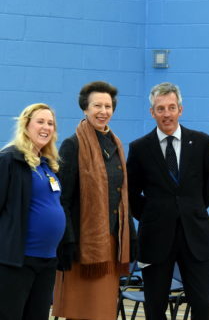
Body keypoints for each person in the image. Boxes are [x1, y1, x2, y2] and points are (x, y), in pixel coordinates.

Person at [127, 82, 209, 320]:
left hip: (195, 235)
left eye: (171, 107)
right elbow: (130, 192)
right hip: (155, 237)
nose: (166, 114)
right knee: (155, 305)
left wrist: (193, 208)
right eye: (160, 109)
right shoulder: (139, 148)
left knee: (203, 304)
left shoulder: (201, 142)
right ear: (152, 112)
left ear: (181, 109)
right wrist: (151, 214)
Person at [52, 81, 136, 320]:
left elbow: (122, 194)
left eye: (108, 106)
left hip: (110, 244)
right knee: (79, 312)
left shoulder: (116, 144)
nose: (103, 111)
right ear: (85, 109)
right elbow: (63, 200)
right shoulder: (72, 145)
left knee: (102, 313)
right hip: (82, 245)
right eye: (97, 105)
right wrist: (67, 241)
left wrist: (131, 232)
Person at [0, 103, 63, 319]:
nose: (46, 127)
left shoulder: (48, 166)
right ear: (26, 125)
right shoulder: (9, 159)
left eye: (50, 123)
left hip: (46, 262)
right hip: (16, 262)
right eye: (40, 121)